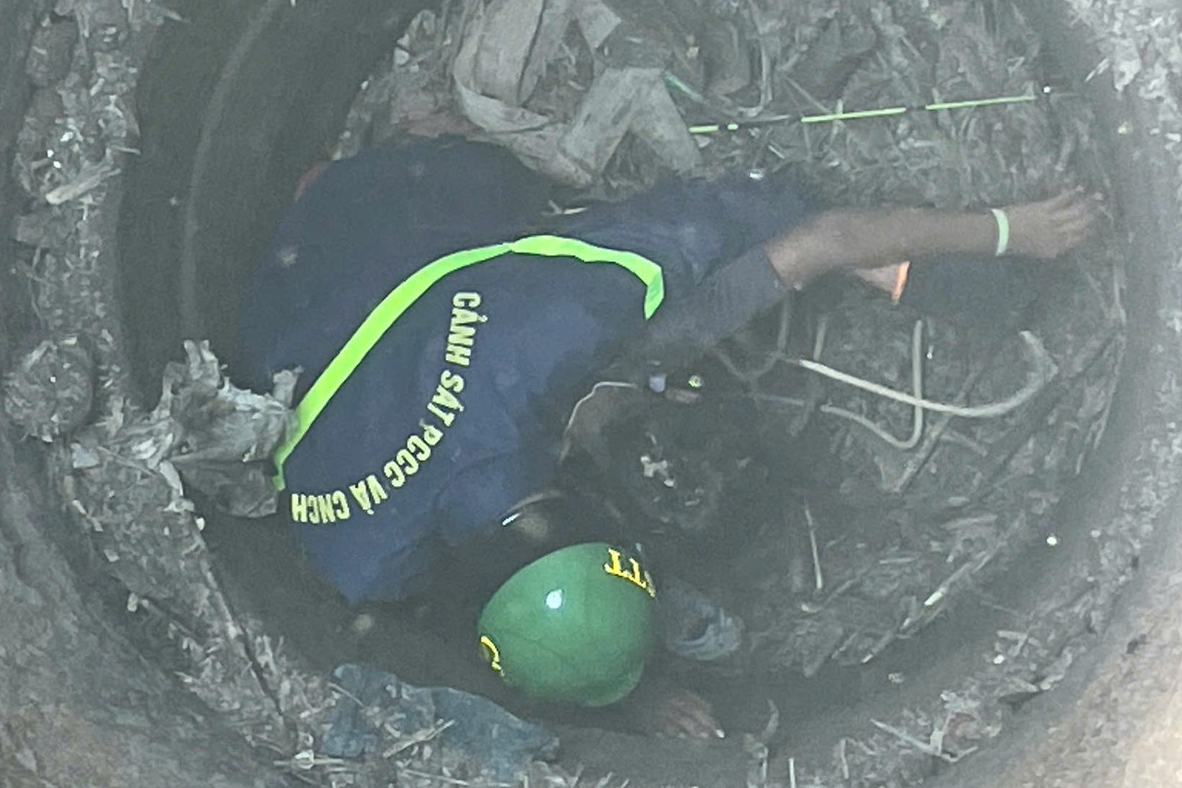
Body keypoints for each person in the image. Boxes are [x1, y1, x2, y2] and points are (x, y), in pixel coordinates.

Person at [241, 135, 1096, 736]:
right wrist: (634, 698)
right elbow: (509, 629)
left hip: (356, 250)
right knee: (469, 202)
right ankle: (335, 184)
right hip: (296, 296)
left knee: (501, 184)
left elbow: (809, 227)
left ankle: (353, 177)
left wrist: (1010, 230)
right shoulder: (360, 558)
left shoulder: (569, 322)